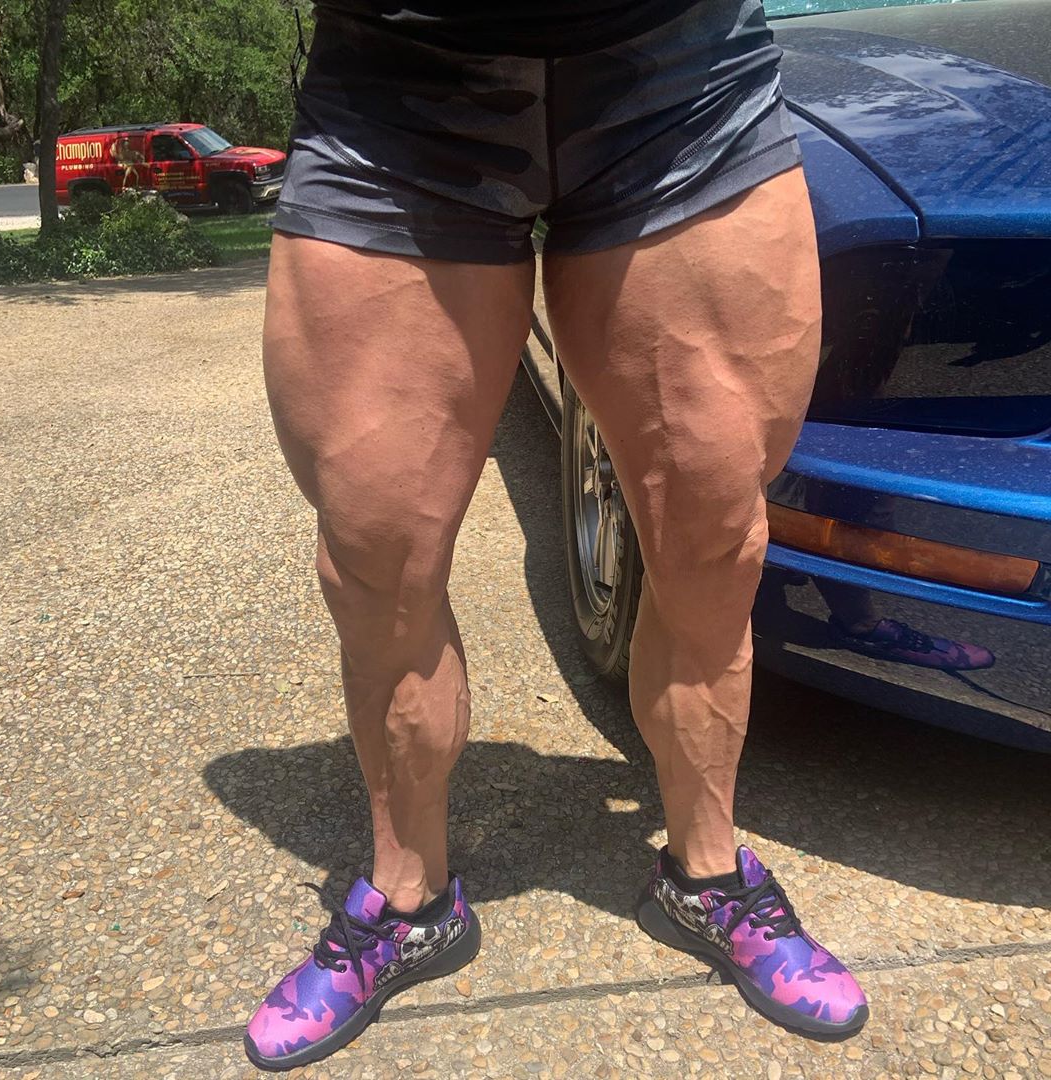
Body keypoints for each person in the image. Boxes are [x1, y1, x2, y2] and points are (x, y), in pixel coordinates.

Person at [245, 0, 869, 1069]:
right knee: (373, 550)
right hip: (398, 87)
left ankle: (707, 874)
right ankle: (409, 901)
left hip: (680, 78)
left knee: (714, 534)